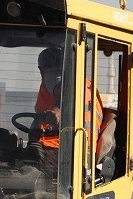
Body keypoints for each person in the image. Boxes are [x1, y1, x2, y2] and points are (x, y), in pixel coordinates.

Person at [32, 45, 116, 174]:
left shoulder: (54, 76)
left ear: (41, 69)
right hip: (79, 148)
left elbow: (64, 91)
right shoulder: (86, 84)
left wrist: (57, 111)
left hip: (65, 149)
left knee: (24, 170)